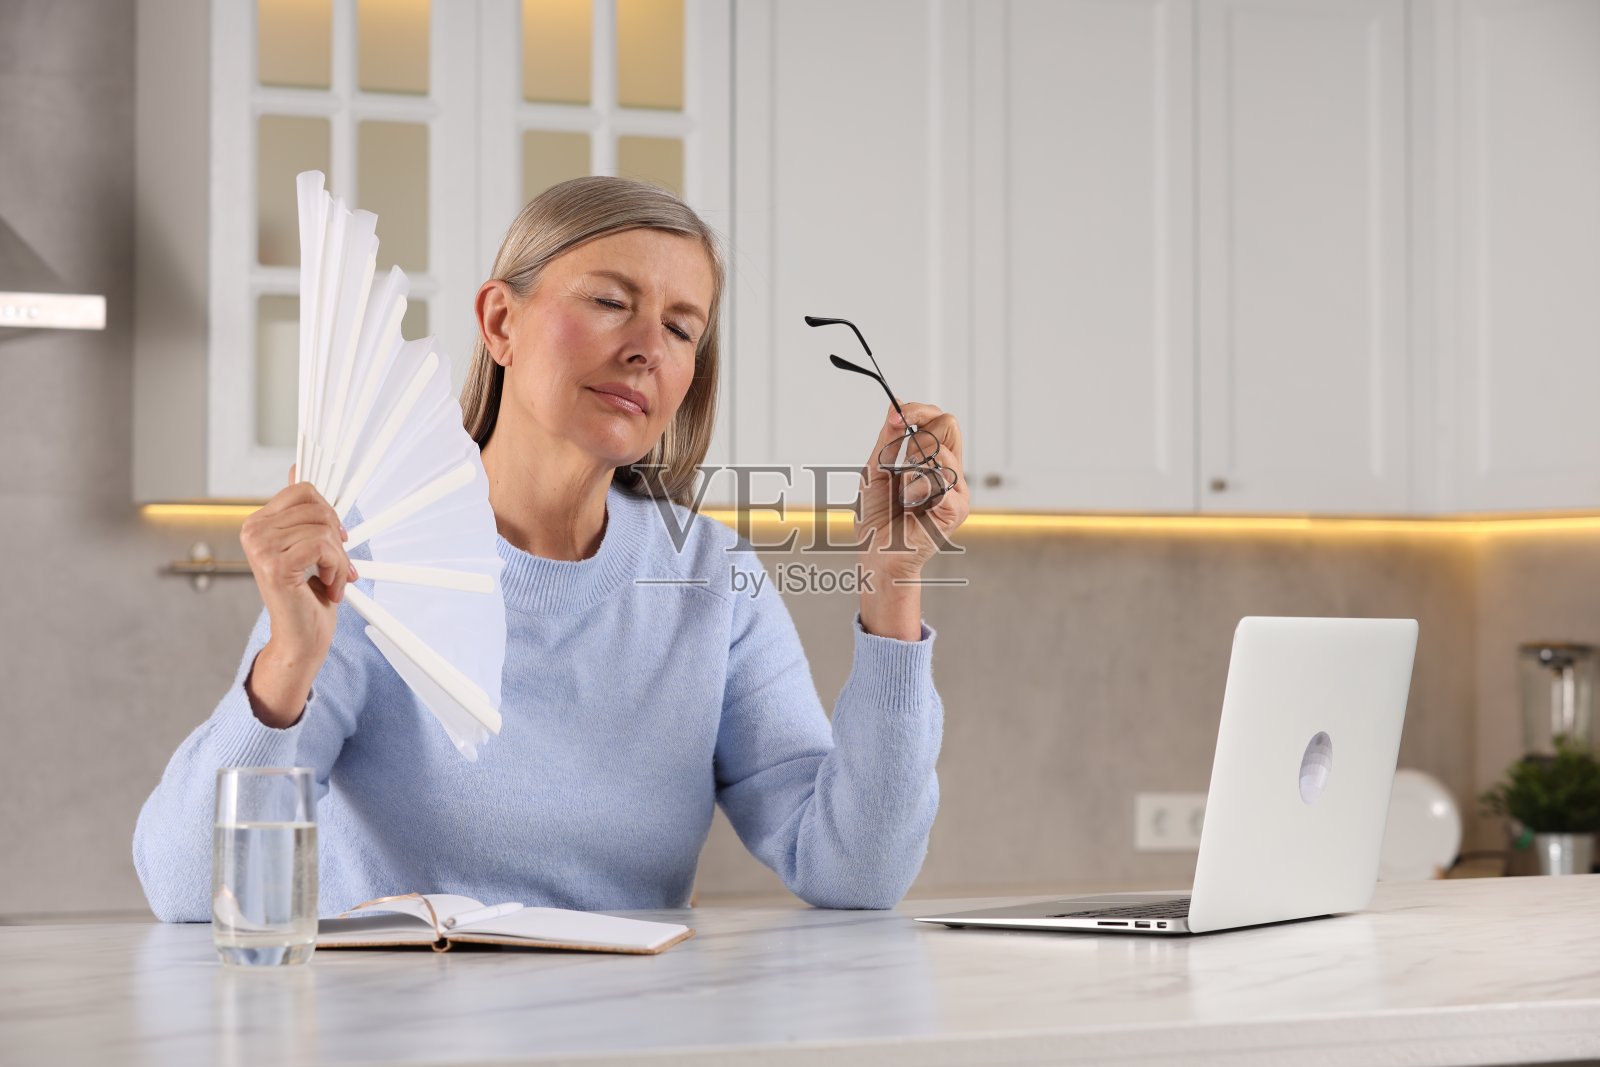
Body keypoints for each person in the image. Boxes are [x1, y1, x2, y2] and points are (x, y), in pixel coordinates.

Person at [133, 176, 970, 920]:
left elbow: (856, 871)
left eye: (682, 328)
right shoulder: (368, 561)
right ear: (501, 321)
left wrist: (891, 584)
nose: (647, 345)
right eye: (610, 301)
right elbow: (187, 889)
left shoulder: (711, 578)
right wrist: (288, 662)